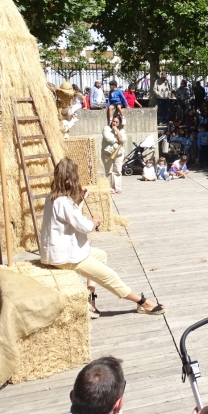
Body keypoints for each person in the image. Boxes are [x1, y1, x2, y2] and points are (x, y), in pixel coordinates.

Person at [42, 159, 165, 318]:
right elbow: (85, 227)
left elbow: (72, 218)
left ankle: (91, 300)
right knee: (110, 277)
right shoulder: (65, 202)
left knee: (101, 255)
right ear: (73, 178)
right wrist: (94, 221)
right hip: (66, 257)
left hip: (55, 253)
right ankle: (144, 303)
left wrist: (79, 202)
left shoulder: (51, 198)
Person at [101, 116, 126, 194]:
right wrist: (116, 140)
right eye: (113, 121)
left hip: (118, 153)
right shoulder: (106, 128)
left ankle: (117, 187)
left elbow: (123, 140)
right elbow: (107, 138)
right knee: (109, 170)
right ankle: (110, 187)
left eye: (116, 122)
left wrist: (117, 131)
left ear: (119, 123)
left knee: (117, 170)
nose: (114, 123)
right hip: (107, 153)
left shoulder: (122, 130)